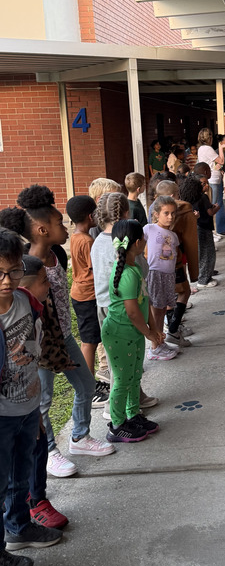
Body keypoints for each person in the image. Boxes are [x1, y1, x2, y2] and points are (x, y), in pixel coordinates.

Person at [1, 186, 114, 474]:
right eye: (59, 224)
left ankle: (80, 437)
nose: (65, 229)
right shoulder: (26, 268)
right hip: (39, 346)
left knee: (86, 385)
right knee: (43, 399)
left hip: (63, 337)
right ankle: (50, 450)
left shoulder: (57, 256)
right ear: (42, 230)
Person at [0, 230, 63, 566]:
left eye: (13, 271)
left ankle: (19, 527)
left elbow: (34, 348)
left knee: (20, 475)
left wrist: (36, 409)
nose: (7, 281)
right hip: (1, 416)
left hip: (26, 407)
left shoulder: (27, 301)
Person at [91, 191, 164, 398]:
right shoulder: (128, 240)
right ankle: (116, 406)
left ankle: (134, 397)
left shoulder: (97, 242)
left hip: (104, 305)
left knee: (118, 359)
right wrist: (150, 331)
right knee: (128, 359)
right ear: (126, 213)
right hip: (125, 307)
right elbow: (143, 271)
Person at [102, 220, 163, 444]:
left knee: (134, 375)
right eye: (144, 239)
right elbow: (132, 312)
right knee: (122, 380)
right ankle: (117, 425)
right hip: (120, 333)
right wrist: (148, 333)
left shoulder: (134, 269)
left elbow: (143, 302)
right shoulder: (128, 274)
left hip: (132, 332)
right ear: (137, 243)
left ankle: (133, 414)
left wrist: (153, 328)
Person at [66, 194, 109, 406]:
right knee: (89, 341)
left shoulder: (76, 237)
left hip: (81, 293)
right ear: (91, 216)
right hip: (88, 295)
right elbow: (96, 269)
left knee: (90, 339)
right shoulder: (88, 241)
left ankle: (91, 382)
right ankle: (89, 387)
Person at [143, 196, 181, 361]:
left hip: (168, 276)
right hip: (155, 274)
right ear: (156, 214)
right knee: (156, 311)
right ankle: (154, 347)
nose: (170, 217)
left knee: (163, 309)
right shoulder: (149, 229)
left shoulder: (173, 235)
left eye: (173, 213)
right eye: (166, 213)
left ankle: (160, 342)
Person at [184, 165, 219, 288]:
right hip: (204, 227)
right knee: (207, 253)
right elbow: (210, 212)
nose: (206, 186)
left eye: (207, 183)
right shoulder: (203, 197)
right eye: (203, 184)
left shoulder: (190, 196)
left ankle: (204, 275)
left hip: (197, 227)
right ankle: (204, 280)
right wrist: (217, 208)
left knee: (202, 253)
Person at [197, 129, 225, 239]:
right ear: (209, 138)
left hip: (212, 178)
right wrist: (220, 148)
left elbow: (212, 164)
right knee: (213, 206)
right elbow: (221, 161)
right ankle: (212, 231)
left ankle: (214, 231)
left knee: (213, 204)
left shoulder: (201, 149)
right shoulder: (208, 148)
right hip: (213, 179)